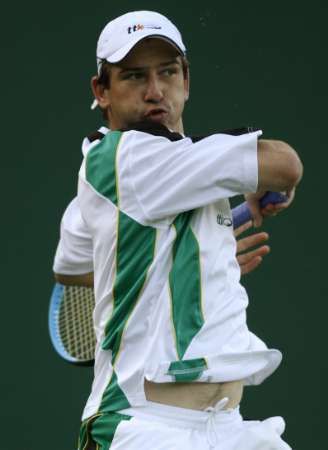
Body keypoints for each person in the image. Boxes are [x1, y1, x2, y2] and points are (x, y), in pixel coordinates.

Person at [54, 10, 303, 450]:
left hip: (231, 429)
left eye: (167, 72)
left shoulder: (110, 190)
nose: (155, 91)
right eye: (133, 76)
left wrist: (187, 269)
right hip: (145, 430)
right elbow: (285, 165)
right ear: (102, 91)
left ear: (186, 79)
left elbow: (72, 268)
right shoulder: (124, 158)